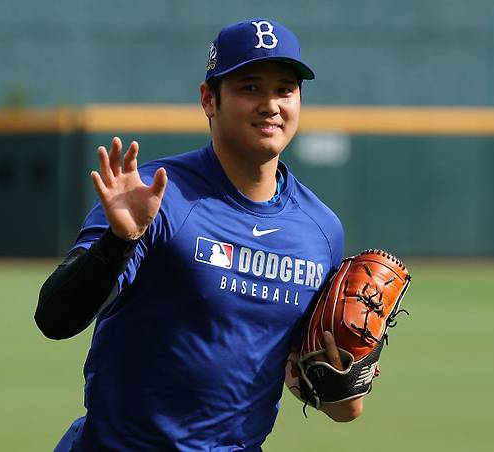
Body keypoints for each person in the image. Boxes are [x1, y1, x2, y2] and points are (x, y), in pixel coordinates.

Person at [35, 18, 363, 451]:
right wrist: (119, 240)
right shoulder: (152, 196)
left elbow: (338, 402)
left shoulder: (320, 231)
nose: (270, 104)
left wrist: (341, 379)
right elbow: (55, 319)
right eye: (249, 88)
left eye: (285, 89)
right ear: (209, 99)